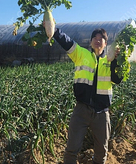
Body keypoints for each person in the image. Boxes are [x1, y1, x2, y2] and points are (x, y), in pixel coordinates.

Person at [53, 25, 123, 164]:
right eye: (95, 38)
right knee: (72, 148)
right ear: (90, 41)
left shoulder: (110, 60)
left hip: (102, 112)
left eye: (101, 38)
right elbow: (67, 42)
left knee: (102, 150)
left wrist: (117, 60)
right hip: (82, 109)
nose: (98, 41)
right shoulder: (82, 54)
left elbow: (117, 79)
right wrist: (54, 31)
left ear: (106, 43)